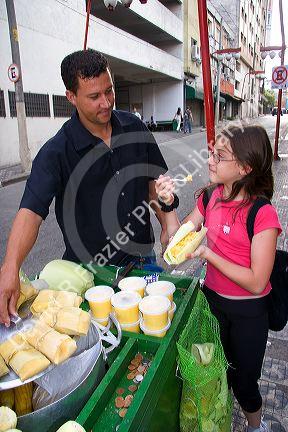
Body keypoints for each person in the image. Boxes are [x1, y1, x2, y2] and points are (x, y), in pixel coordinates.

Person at [0, 49, 169, 326]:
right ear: (71, 97)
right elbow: (30, 212)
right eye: (94, 97)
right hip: (91, 276)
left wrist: (167, 225)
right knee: (103, 347)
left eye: (109, 91)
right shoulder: (56, 152)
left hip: (143, 262)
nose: (105, 103)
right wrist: (11, 267)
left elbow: (154, 184)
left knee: (152, 330)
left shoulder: (135, 127)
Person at [155, 125, 281, 432]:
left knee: (245, 382)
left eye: (219, 156)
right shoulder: (209, 198)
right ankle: (216, 419)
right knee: (212, 373)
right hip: (211, 306)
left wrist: (209, 255)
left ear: (244, 167)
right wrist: (168, 205)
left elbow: (256, 280)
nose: (210, 160)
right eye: (212, 153)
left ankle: (256, 426)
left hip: (249, 313)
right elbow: (174, 244)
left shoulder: (262, 214)